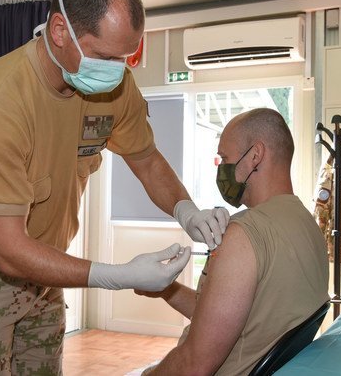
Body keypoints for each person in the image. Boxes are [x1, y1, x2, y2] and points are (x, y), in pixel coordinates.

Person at [0, 0, 229, 375]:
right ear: (60, 31)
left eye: (126, 56)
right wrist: (115, 275)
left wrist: (186, 211)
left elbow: (146, 159)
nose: (118, 70)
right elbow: (8, 250)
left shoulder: (113, 85)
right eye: (106, 56)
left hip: (44, 268)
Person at [137, 108, 330, 375]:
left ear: (255, 156)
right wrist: (166, 290)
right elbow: (228, 318)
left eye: (225, 158)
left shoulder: (243, 235)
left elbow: (195, 364)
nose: (221, 169)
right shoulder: (305, 222)